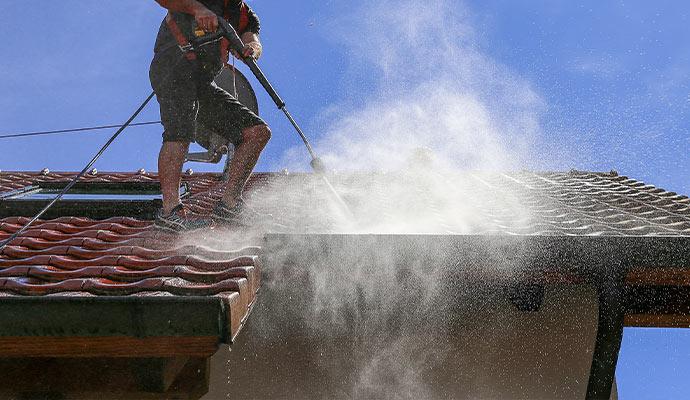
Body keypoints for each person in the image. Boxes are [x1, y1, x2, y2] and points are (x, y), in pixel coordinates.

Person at [150, 0, 271, 232]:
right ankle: (170, 212)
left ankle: (229, 205)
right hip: (173, 68)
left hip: (202, 82)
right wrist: (197, 9)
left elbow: (252, 39)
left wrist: (251, 50)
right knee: (180, 131)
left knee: (256, 133)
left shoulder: (245, 15)